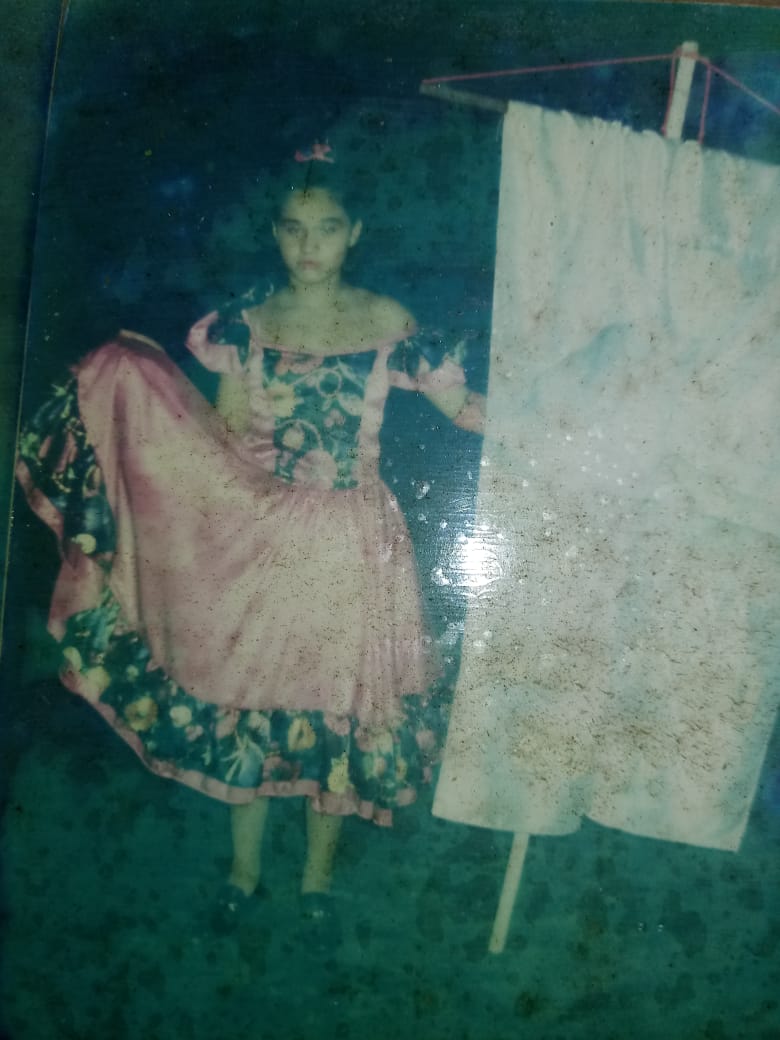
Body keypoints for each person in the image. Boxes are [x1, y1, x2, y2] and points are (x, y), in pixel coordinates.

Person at [15, 146, 485, 938]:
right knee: (253, 691)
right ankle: (244, 871)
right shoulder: (247, 324)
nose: (310, 245)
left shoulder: (389, 322)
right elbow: (227, 436)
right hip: (263, 539)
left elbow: (461, 409)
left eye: (327, 228)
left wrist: (552, 422)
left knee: (338, 701)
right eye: (294, 228)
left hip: (354, 544)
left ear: (354, 232)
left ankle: (318, 880)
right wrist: (157, 433)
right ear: (276, 234)